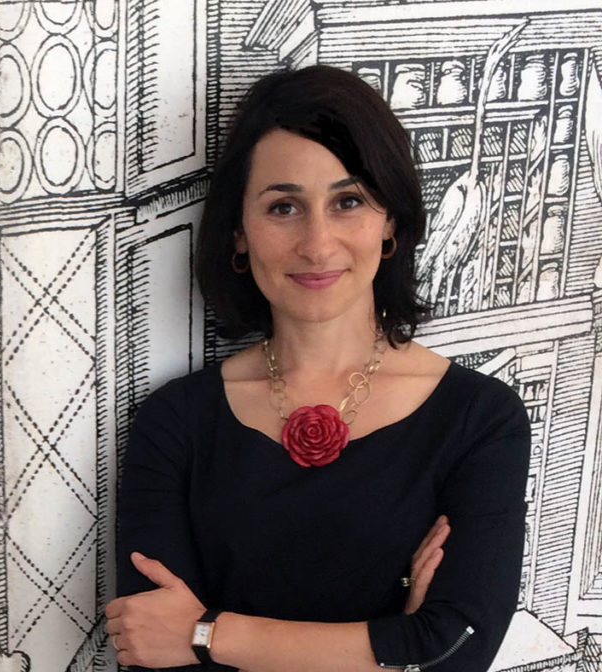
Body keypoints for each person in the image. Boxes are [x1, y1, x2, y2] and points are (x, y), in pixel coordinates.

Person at [104, 65, 530, 671]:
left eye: (348, 201)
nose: (318, 243)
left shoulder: (481, 419)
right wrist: (392, 646)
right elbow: (148, 647)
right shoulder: (176, 421)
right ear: (239, 233)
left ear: (390, 224)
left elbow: (457, 650)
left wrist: (206, 636)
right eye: (283, 207)